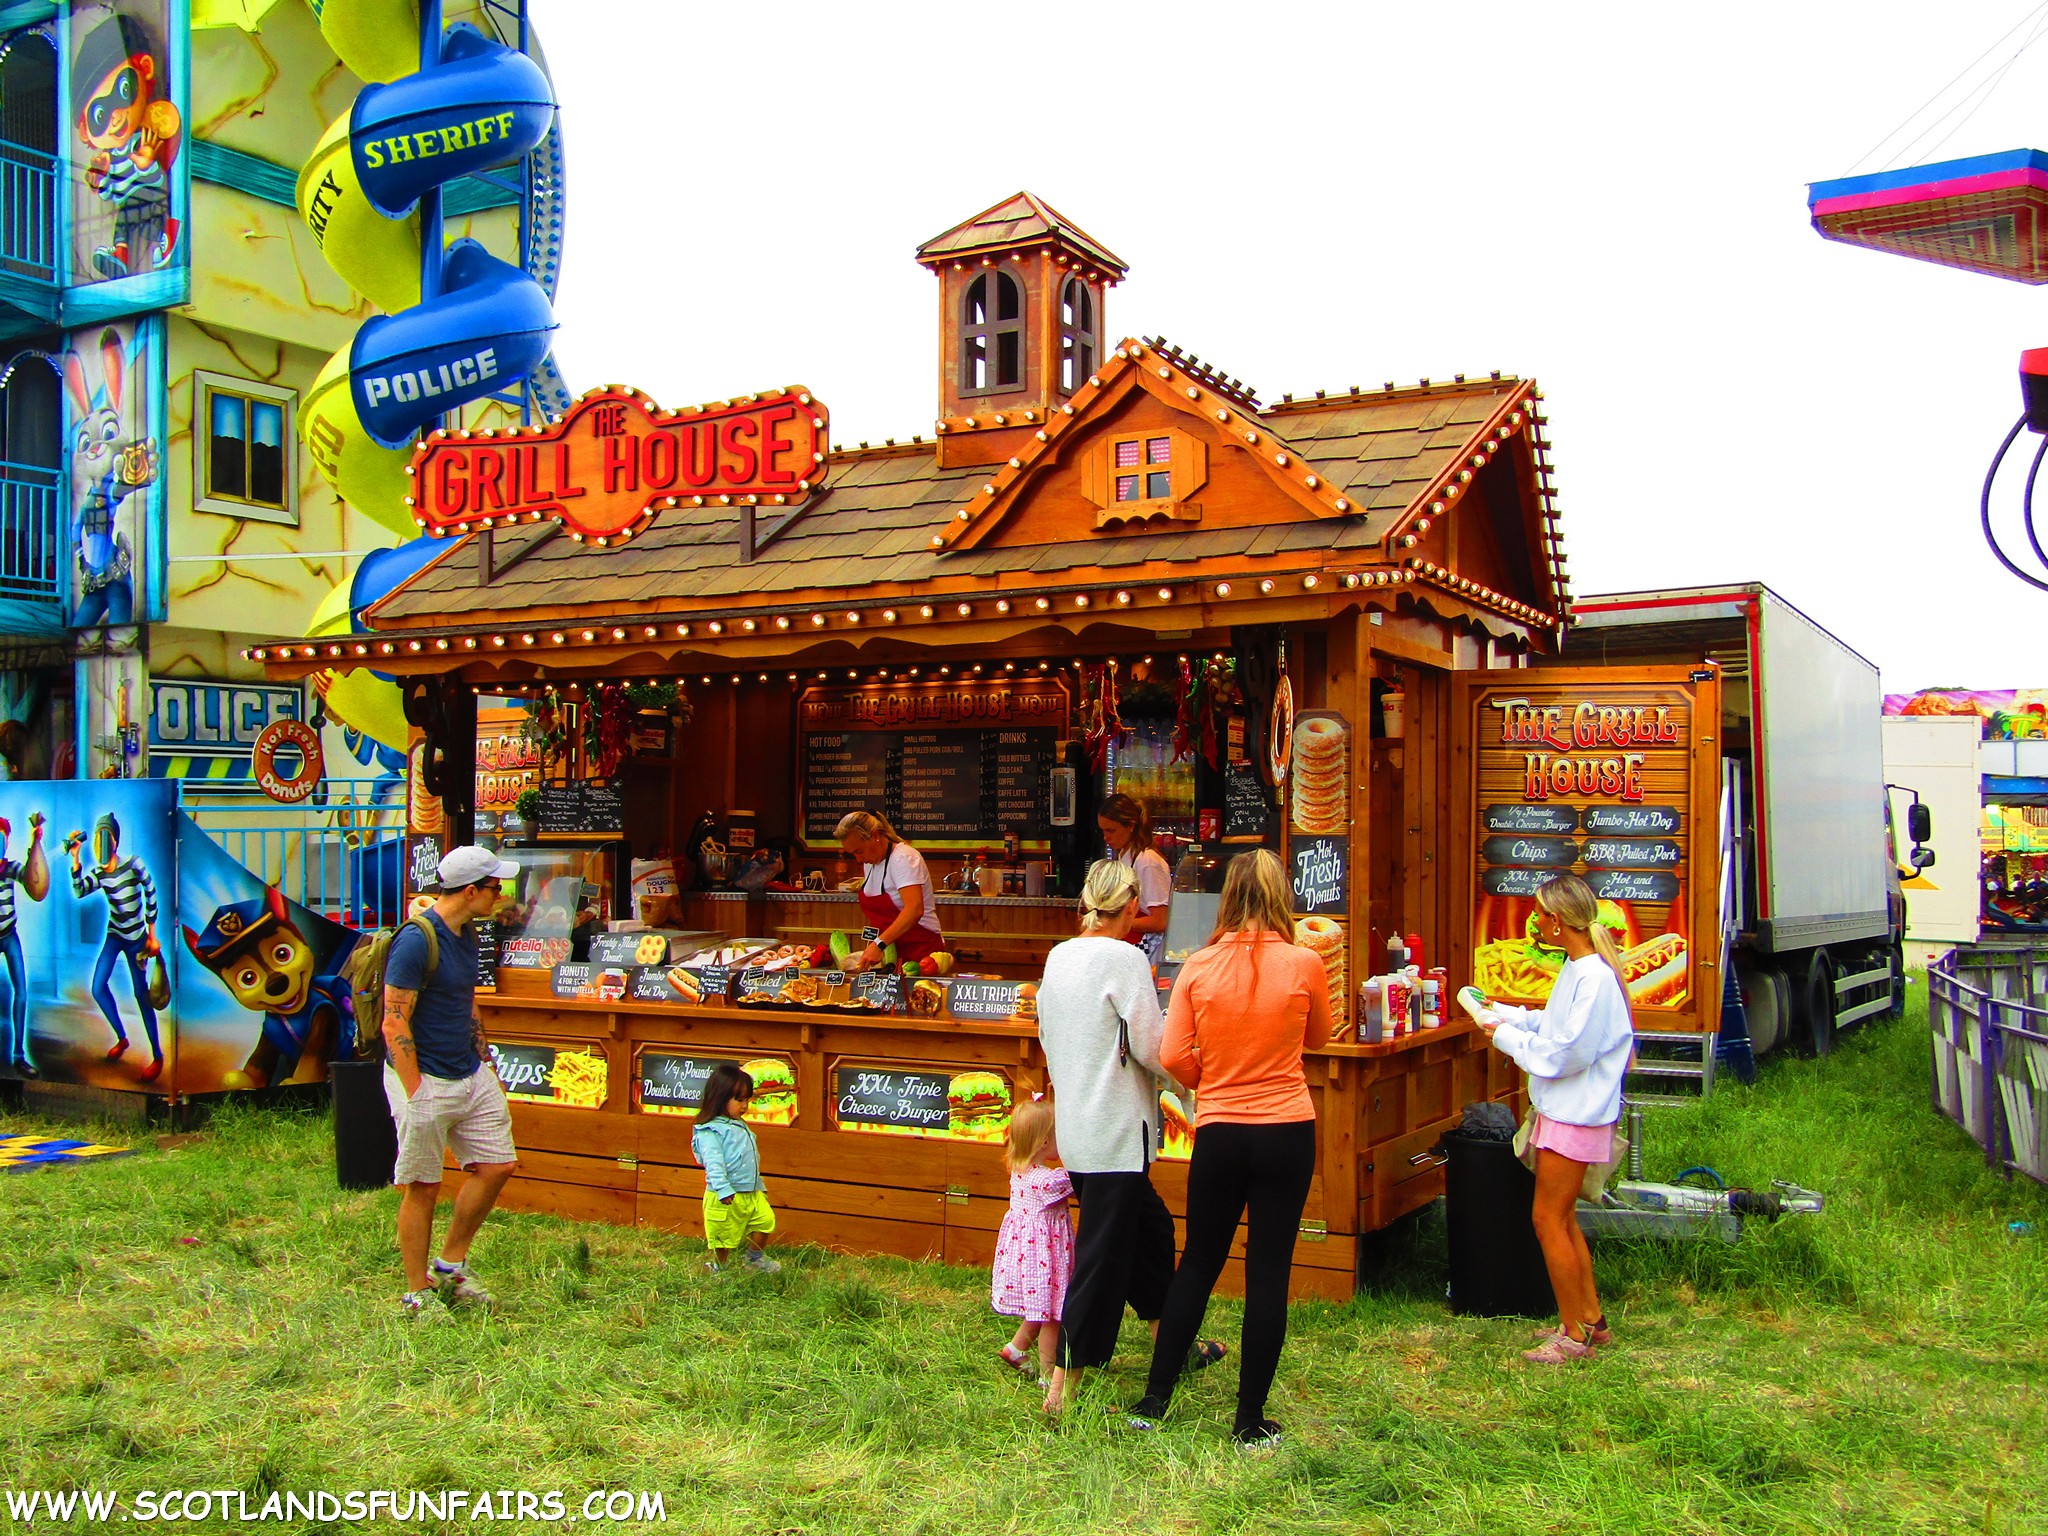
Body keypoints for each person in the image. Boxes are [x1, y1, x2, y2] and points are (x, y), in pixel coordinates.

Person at [1128, 848, 1330, 1449]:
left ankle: (1155, 1399)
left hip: (1221, 1129)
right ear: (1280, 897)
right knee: (1269, 1273)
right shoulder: (1305, 962)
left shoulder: (1198, 965)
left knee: (1198, 1263)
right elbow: (1317, 1037)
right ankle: (1248, 1422)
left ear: (1228, 898)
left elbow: (1169, 1056)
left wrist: (1210, 1079)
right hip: (1288, 1128)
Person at [1035, 859, 1222, 1413]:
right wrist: (1194, 1074)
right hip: (1117, 1129)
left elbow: (1046, 1030)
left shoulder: (1060, 955)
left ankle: (1176, 1342)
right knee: (1102, 1255)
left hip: (1078, 1127)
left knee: (1151, 1231)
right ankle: (1064, 1381)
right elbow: (1151, 1045)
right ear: (1133, 904)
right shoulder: (1126, 958)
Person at [1470, 872, 1635, 1363]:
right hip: (1570, 1112)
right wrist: (1501, 1011)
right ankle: (1590, 1321)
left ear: (1557, 922)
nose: (1533, 922)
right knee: (1563, 1218)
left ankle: (1574, 1335)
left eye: (1539, 914)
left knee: (1547, 1220)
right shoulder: (1581, 969)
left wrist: (1504, 1037)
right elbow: (1552, 1024)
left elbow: (1566, 1053)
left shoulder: (1595, 978)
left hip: (1575, 1115)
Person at [382, 845, 520, 1317]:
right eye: (494, 887)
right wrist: (415, 1090)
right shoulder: (417, 940)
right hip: (424, 1076)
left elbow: (467, 1000)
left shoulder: (467, 934)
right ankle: (416, 1290)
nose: (500, 894)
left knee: (498, 1166)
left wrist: (486, 1060)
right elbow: (393, 1020)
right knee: (422, 1184)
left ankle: (450, 1265)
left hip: (468, 1069)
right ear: (469, 891)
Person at [991, 1096, 1075, 1406]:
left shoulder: (1020, 1170)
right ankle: (1047, 1372)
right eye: (1058, 1135)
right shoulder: (1048, 1180)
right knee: (1053, 1314)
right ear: (1043, 1142)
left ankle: (1016, 1348)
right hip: (1045, 1257)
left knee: (1040, 1306)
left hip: (1028, 1256)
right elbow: (1079, 1178)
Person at [67, 812, 163, 1081]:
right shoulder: (98, 873)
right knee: (98, 986)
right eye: (97, 838)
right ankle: (122, 1038)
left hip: (136, 939)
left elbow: (151, 891)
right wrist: (75, 859)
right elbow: (79, 890)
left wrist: (152, 934)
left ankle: (157, 1055)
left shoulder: (133, 864)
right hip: (115, 934)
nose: (100, 844)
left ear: (114, 841)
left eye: (104, 837)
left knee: (141, 995)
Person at [691, 1062, 780, 1274]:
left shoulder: (740, 1125)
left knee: (766, 1222)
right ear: (720, 1099)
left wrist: (759, 1185)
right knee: (723, 1236)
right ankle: (719, 1267)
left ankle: (754, 1258)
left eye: (747, 1100)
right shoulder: (710, 1131)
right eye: (739, 1100)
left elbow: (750, 1159)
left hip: (751, 1192)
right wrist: (722, 1188)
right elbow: (714, 1164)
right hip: (725, 1195)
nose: (745, 1105)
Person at [835, 810, 944, 970]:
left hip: (920, 952)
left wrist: (879, 944)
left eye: (859, 851)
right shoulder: (870, 862)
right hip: (891, 953)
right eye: (853, 854)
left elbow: (914, 909)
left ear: (876, 835)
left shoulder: (903, 858)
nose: (858, 859)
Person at [1098, 792, 1172, 967]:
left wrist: (1115, 922)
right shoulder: (1125, 856)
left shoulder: (1148, 861)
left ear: (1131, 825)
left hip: (1148, 955)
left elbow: (1160, 920)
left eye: (1111, 831)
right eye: (1103, 831)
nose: (1105, 837)